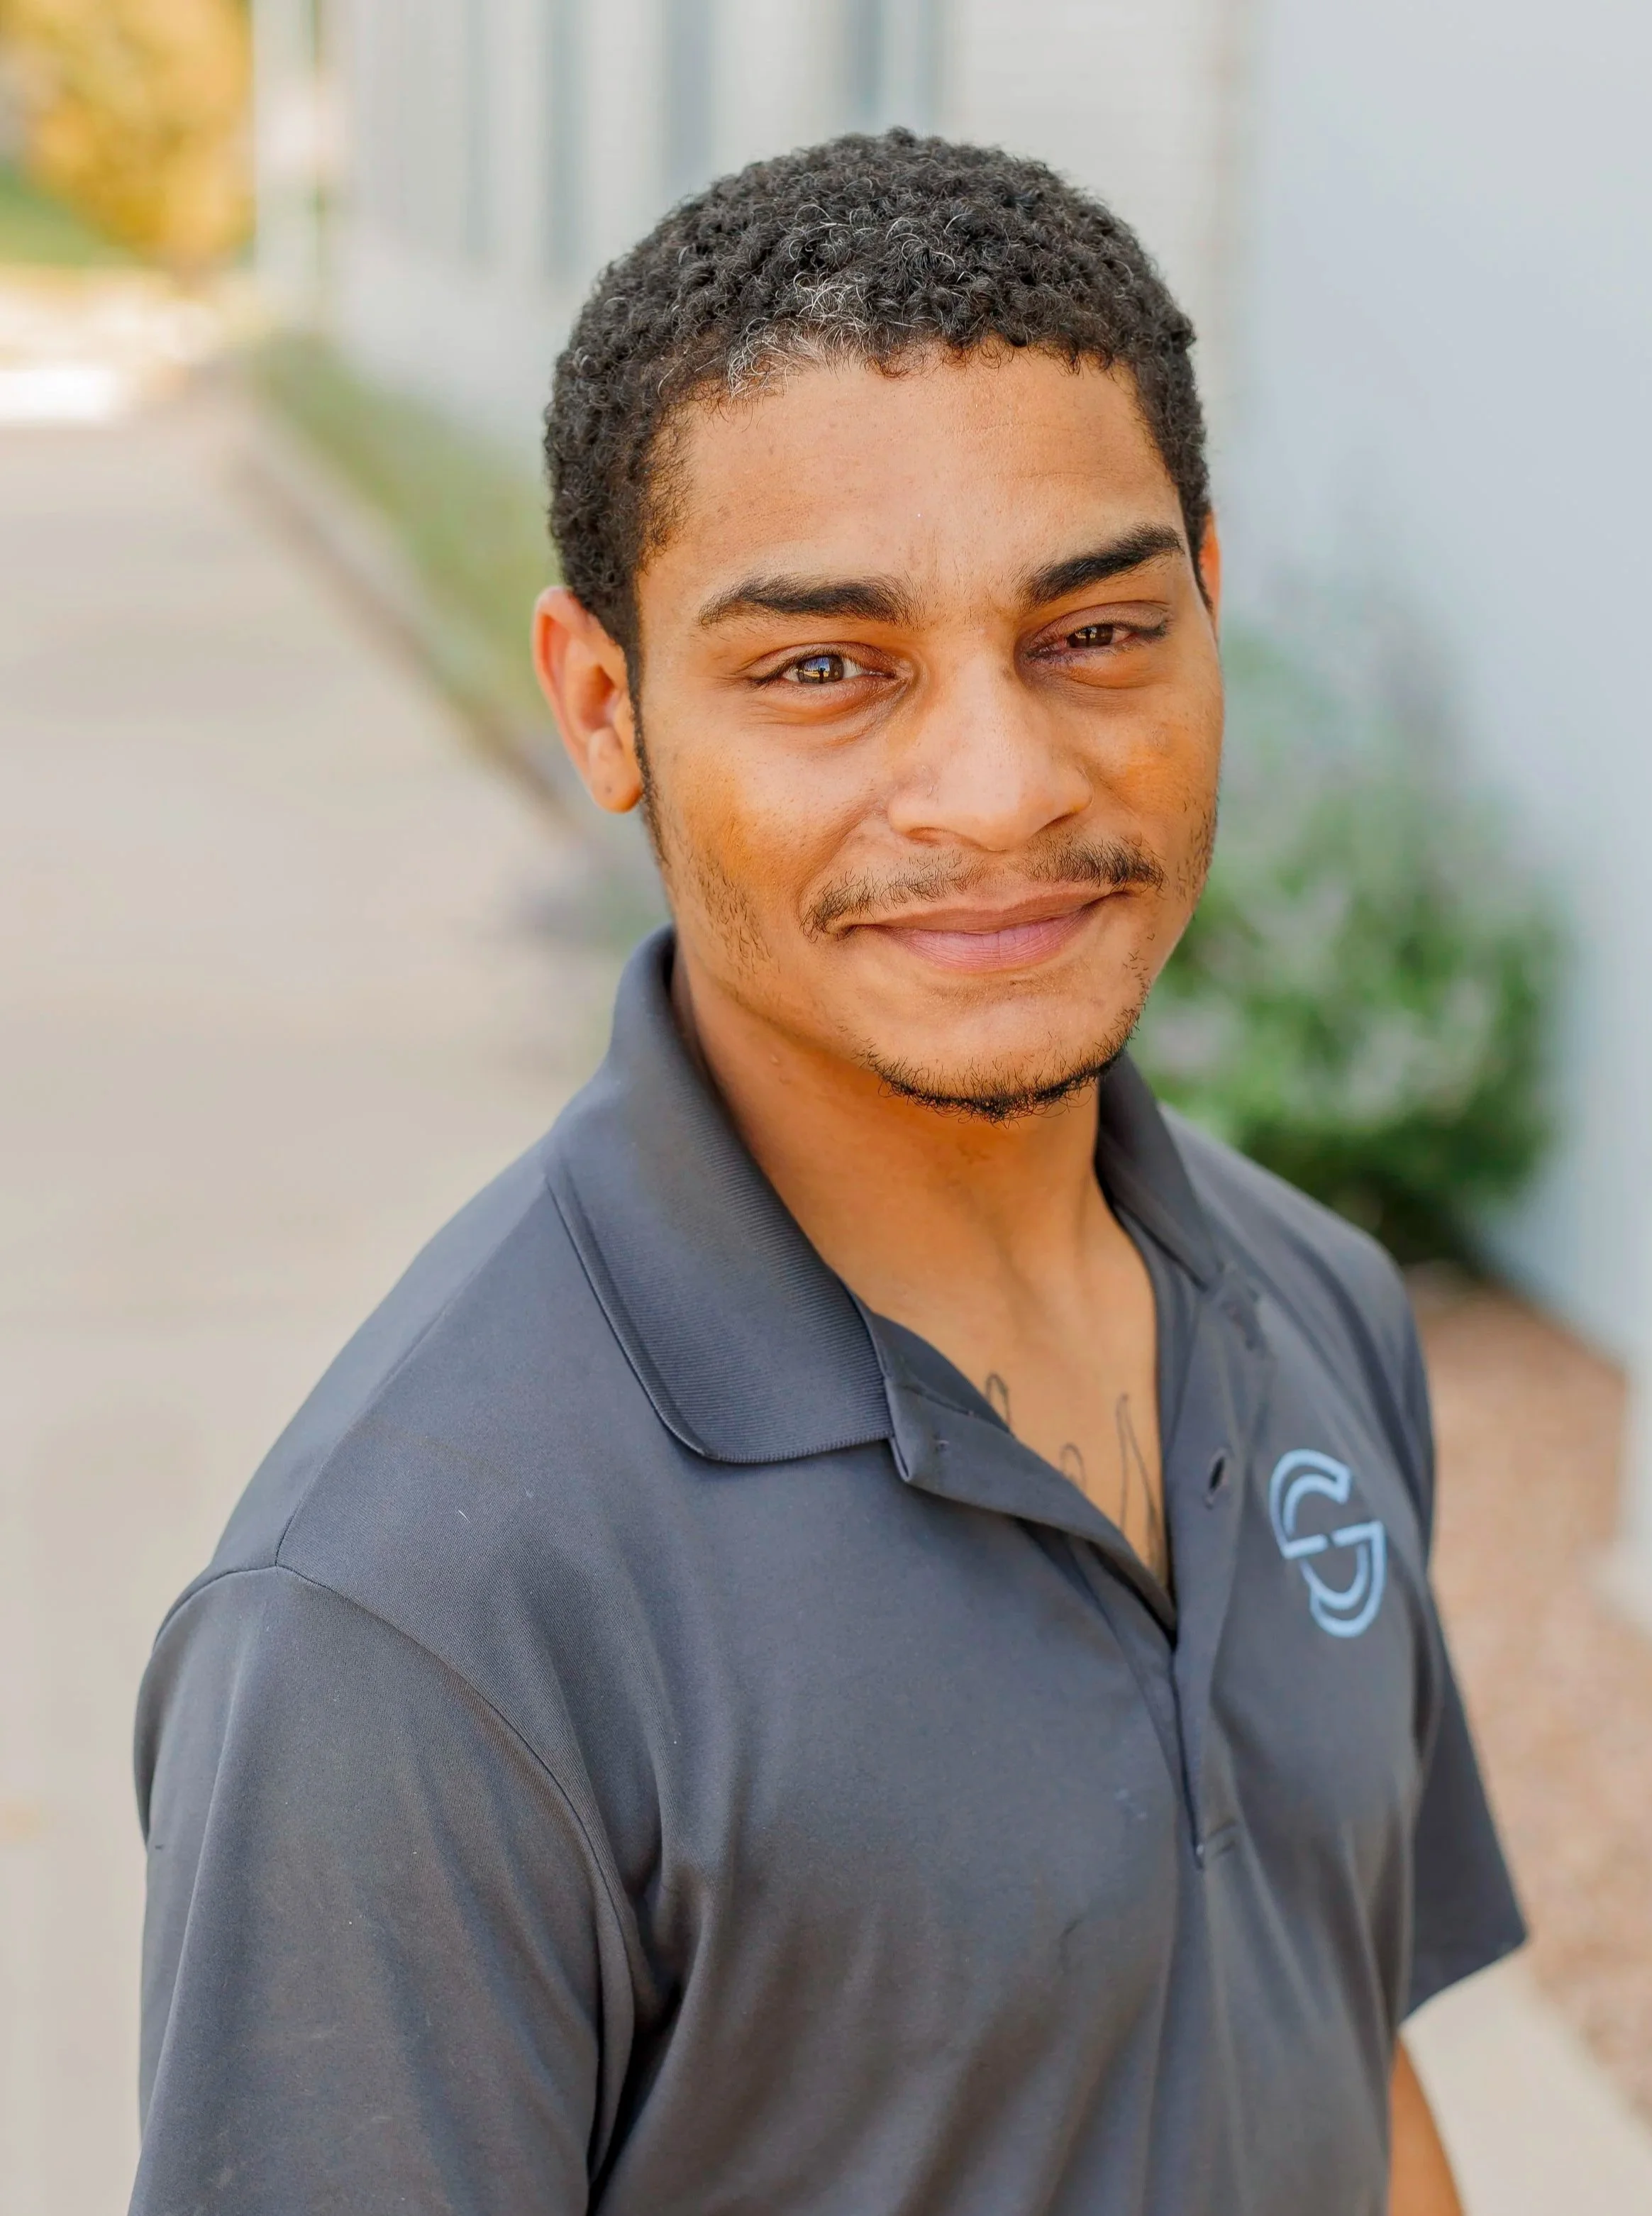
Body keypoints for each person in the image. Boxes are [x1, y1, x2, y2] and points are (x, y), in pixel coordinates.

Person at [131, 131, 1523, 2216]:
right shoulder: (413, 1621)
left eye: (1094, 631)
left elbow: (1342, 2042)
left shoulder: (1314, 1307)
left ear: (1210, 606)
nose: (1002, 787)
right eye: (823, 668)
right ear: (605, 707)